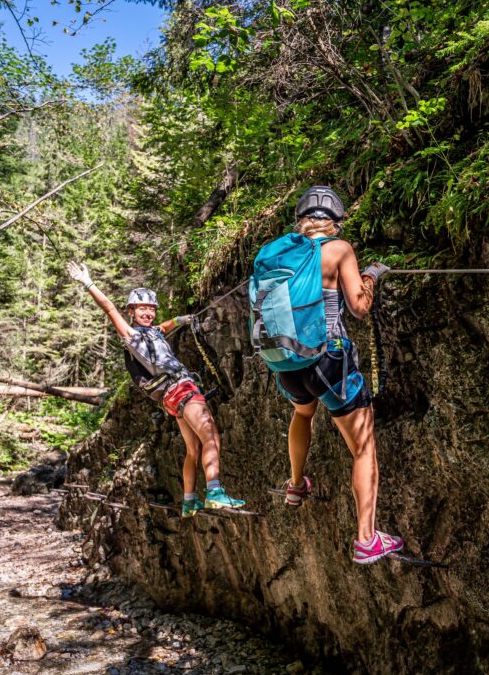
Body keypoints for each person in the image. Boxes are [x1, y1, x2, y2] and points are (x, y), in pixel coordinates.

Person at [250, 186, 403, 564]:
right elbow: (359, 307)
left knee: (303, 413)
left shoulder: (277, 253)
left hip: (287, 364)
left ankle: (296, 484)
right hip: (328, 360)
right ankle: (367, 539)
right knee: (363, 447)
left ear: (301, 221)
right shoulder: (338, 250)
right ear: (334, 223)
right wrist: (371, 274)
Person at [66, 262, 246, 517]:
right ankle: (215, 492)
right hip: (181, 389)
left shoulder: (152, 333)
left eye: (151, 308)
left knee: (193, 448)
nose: (148, 313)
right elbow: (109, 309)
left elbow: (163, 328)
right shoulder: (131, 335)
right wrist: (88, 283)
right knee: (211, 437)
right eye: (142, 308)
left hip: (171, 397)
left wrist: (180, 320)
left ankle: (189, 500)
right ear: (131, 311)